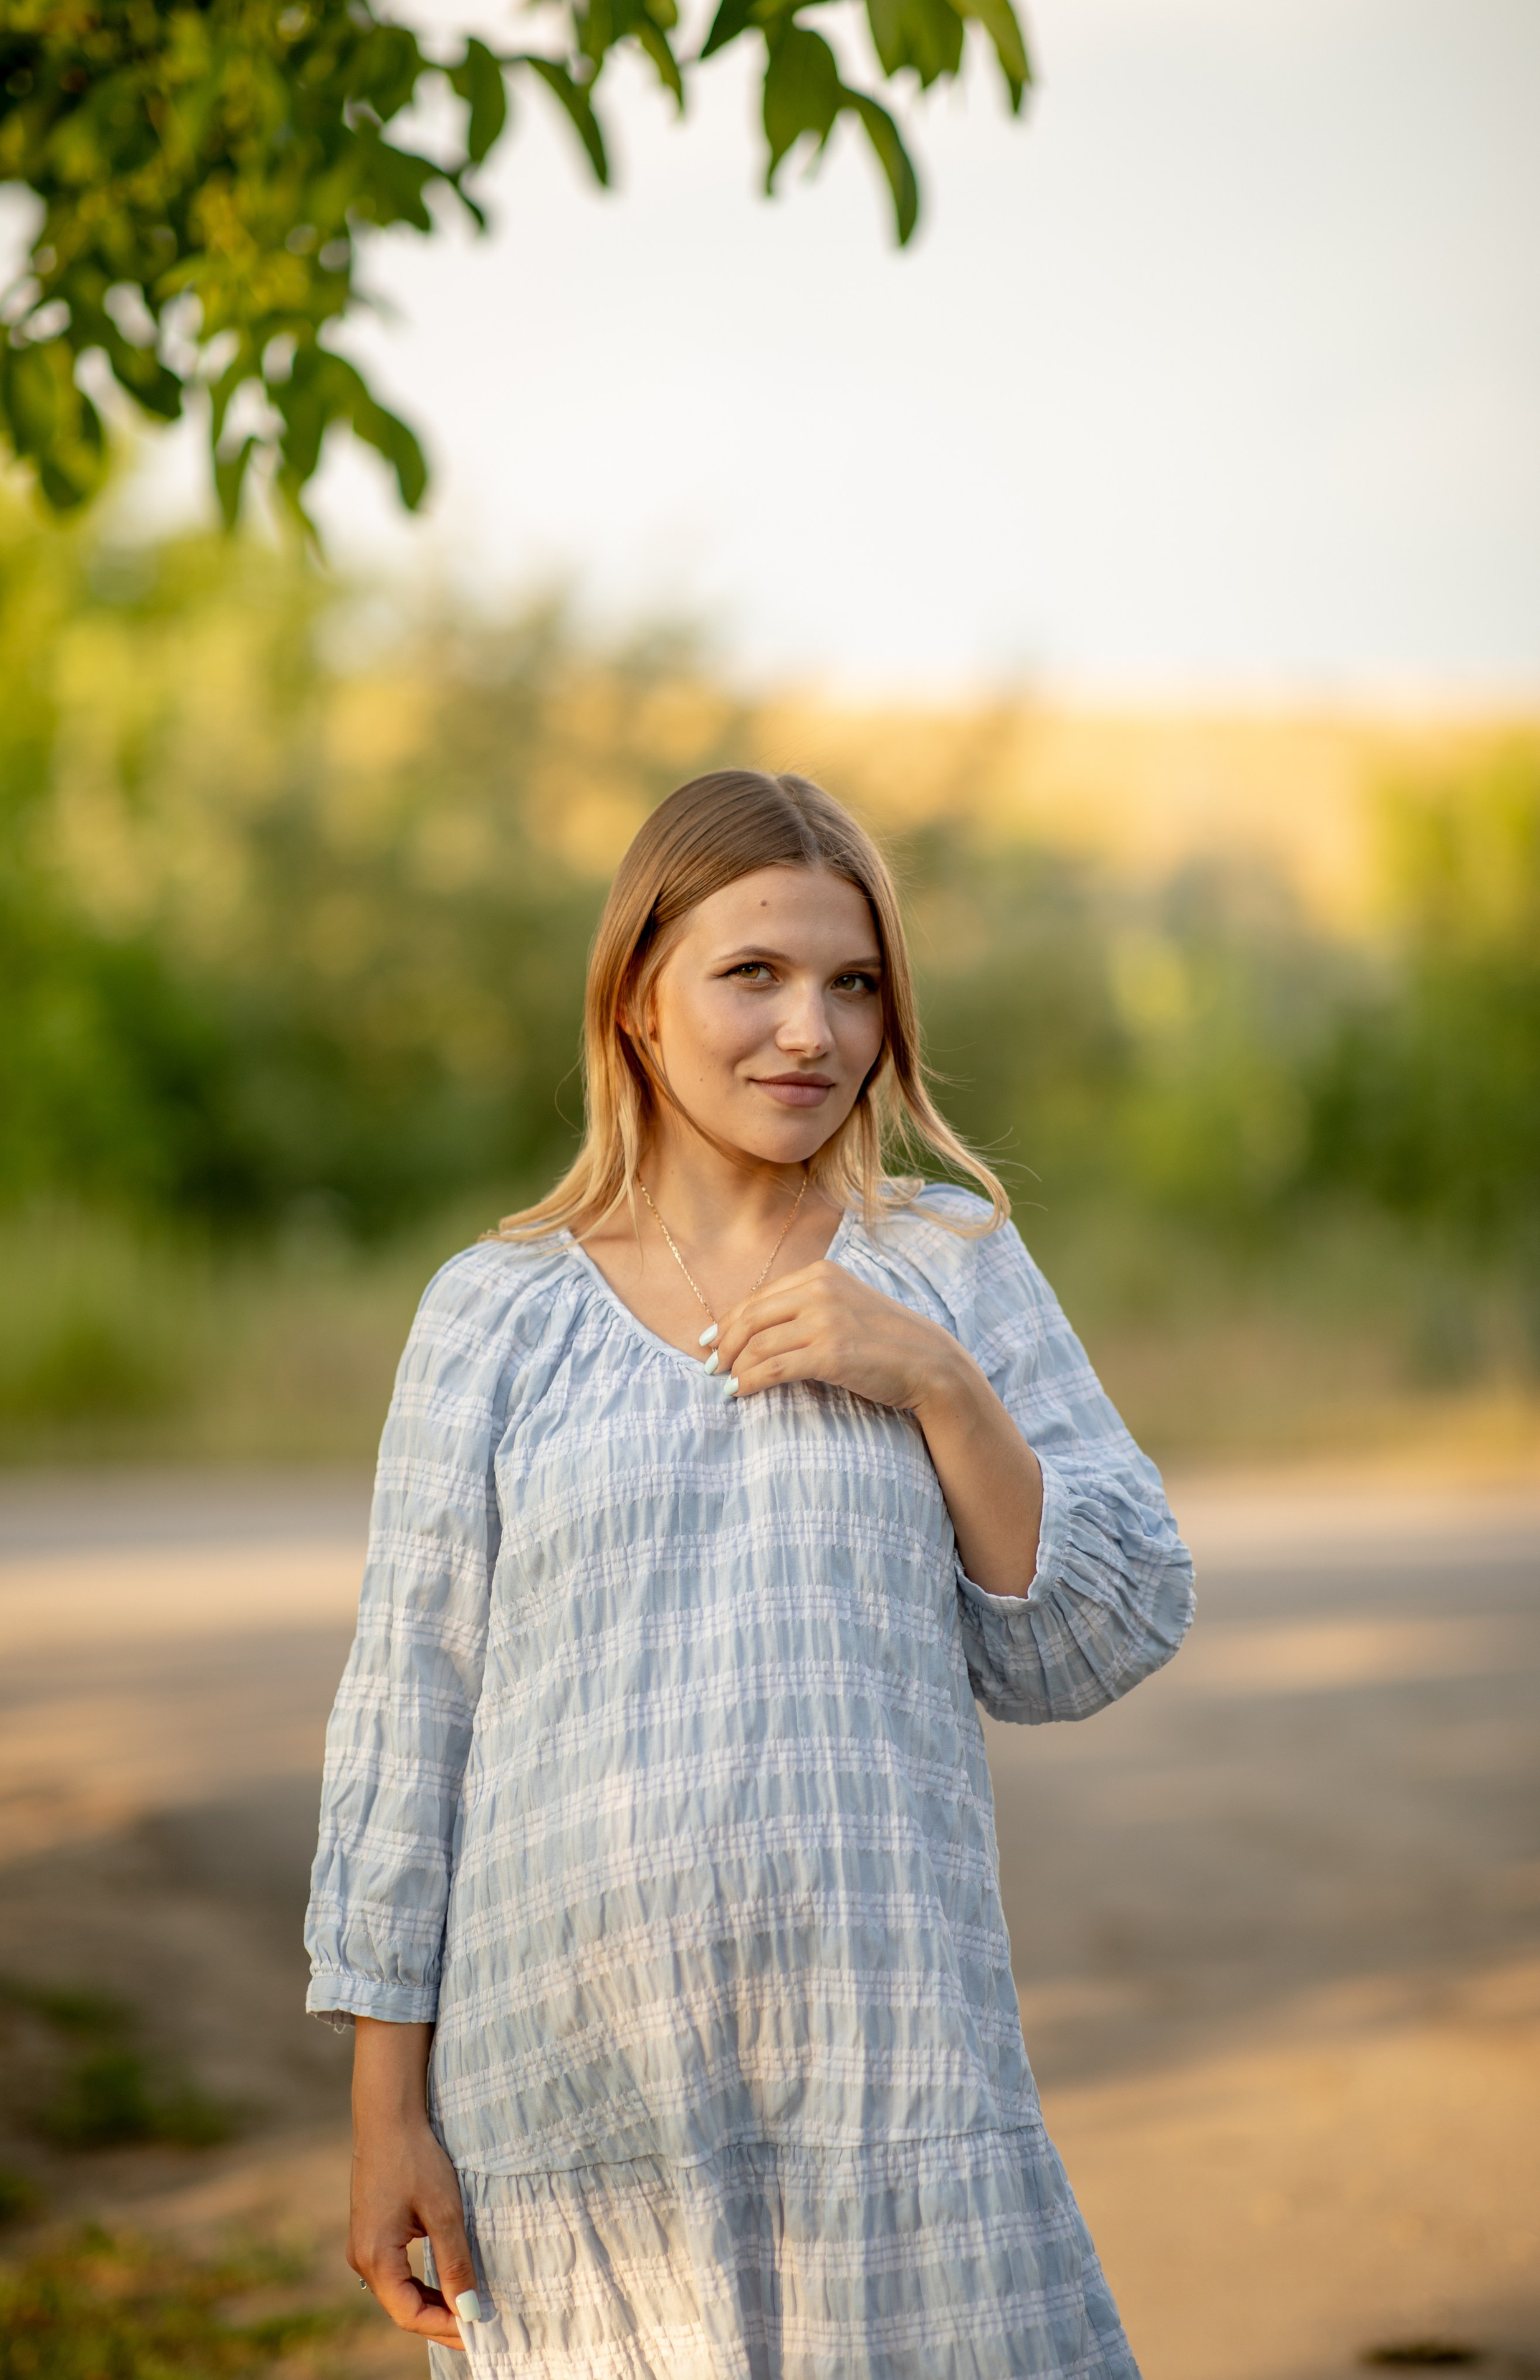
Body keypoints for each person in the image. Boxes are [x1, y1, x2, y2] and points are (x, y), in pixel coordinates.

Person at [305, 767, 1195, 2380]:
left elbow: (1102, 1624)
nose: (812, 1032)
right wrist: (387, 2117)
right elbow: (406, 1718)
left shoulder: (947, 1267)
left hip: (890, 2082)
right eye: (754, 976)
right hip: (572, 2110)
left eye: (855, 985)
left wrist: (934, 1382)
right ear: (639, 998)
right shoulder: (493, 1314)